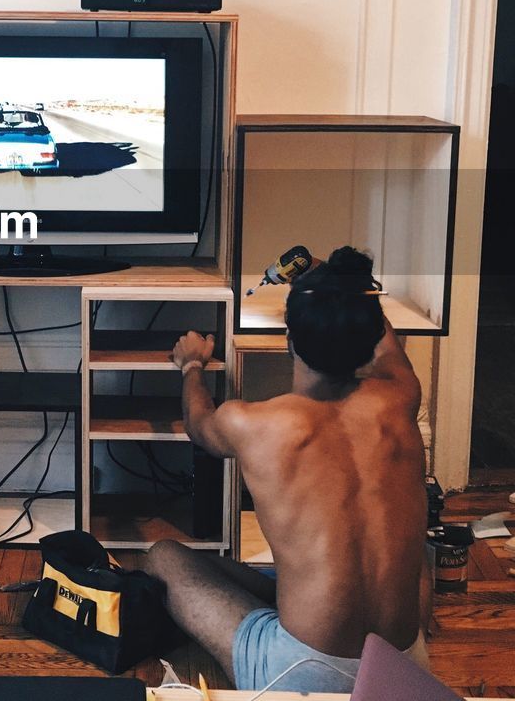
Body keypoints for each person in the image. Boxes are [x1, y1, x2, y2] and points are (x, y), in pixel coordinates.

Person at [144, 246, 431, 693]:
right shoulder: (401, 395)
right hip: (399, 663)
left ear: (289, 340)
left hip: (304, 673)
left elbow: (199, 426)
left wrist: (192, 364)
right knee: (398, 560)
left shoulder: (252, 423)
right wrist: (326, 278)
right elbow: (375, 324)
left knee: (164, 556)